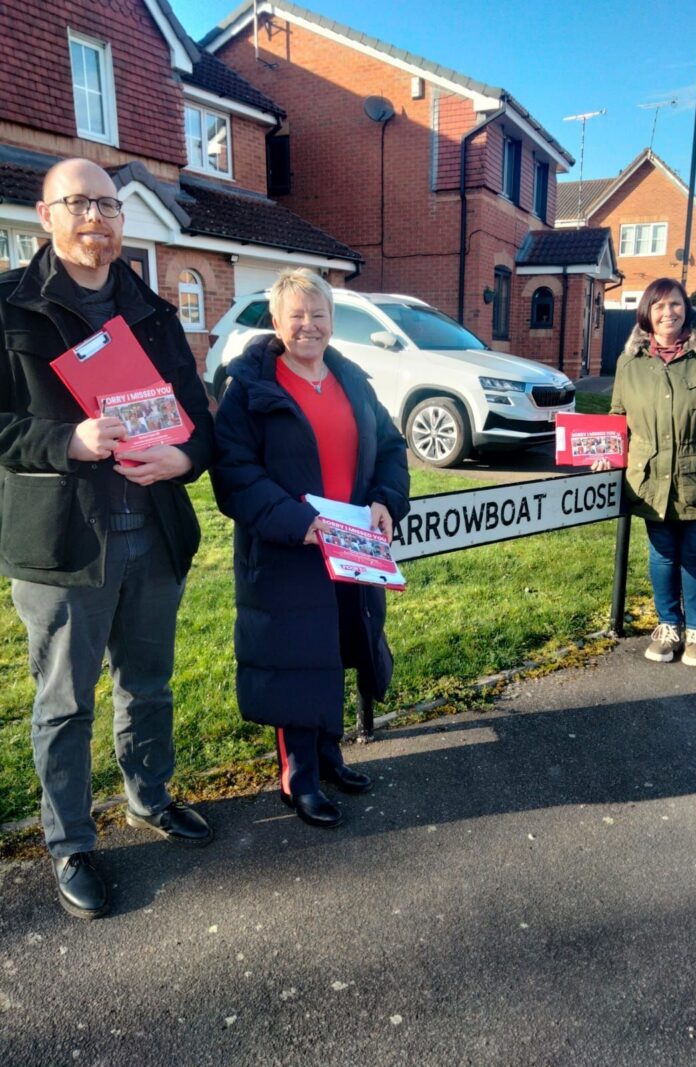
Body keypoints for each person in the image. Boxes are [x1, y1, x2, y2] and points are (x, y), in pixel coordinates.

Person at [0, 159, 215, 919]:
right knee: (64, 703)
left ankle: (148, 796)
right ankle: (69, 842)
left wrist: (184, 455)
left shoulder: (151, 310)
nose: (97, 216)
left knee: (148, 685)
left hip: (152, 535)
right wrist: (70, 441)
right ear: (44, 215)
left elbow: (200, 417)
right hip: (63, 547)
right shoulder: (10, 309)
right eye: (79, 203)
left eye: (109, 204)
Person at [212, 268, 410, 829]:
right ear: (276, 321)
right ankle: (297, 777)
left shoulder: (352, 381)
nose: (308, 326)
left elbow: (391, 448)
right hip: (288, 549)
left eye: (318, 315)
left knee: (336, 648)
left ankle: (329, 756)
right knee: (295, 657)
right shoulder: (250, 389)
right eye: (296, 315)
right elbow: (233, 473)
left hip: (350, 547)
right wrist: (298, 522)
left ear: (332, 321)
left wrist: (385, 501)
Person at [595, 277, 696, 667]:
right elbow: (618, 418)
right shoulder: (630, 362)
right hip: (649, 479)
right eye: (659, 306)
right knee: (661, 555)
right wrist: (603, 453)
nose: (668, 313)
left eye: (675, 304)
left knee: (693, 553)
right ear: (647, 313)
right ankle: (668, 626)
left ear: (687, 309)